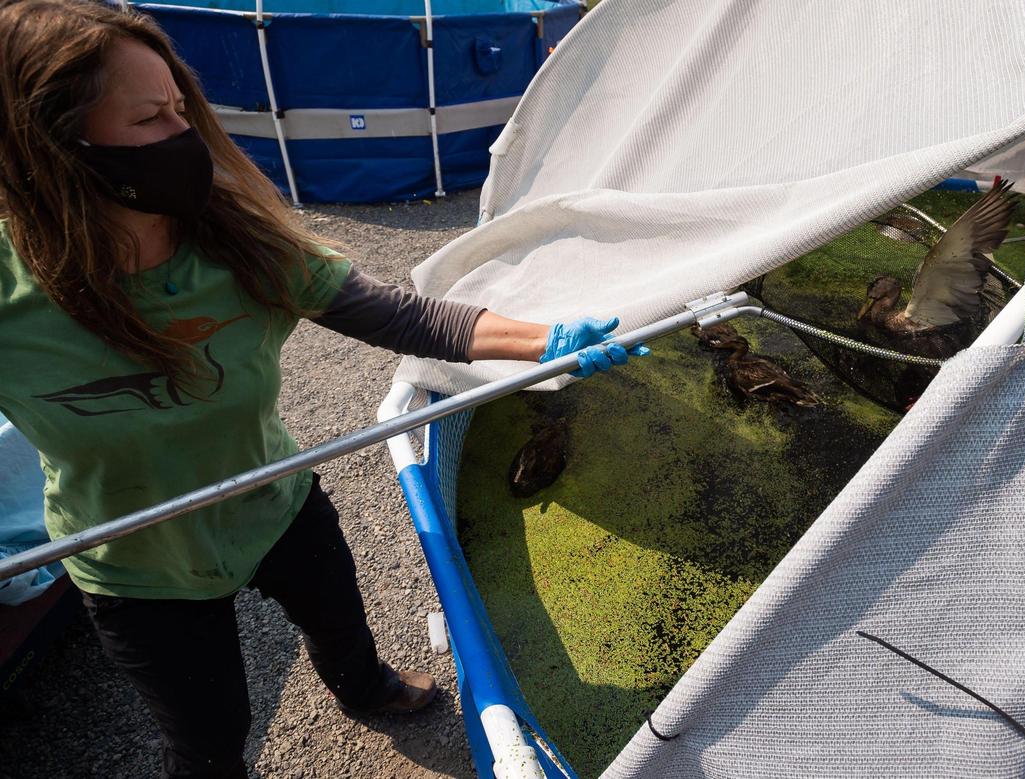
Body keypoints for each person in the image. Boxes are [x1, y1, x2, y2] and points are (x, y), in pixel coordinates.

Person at [0, 1, 647, 776]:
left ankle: (363, 688)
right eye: (148, 119)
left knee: (340, 622)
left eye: (182, 108)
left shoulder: (238, 239)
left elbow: (406, 318)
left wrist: (550, 344)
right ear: (50, 146)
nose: (184, 136)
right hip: (138, 562)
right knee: (207, 741)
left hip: (274, 499)